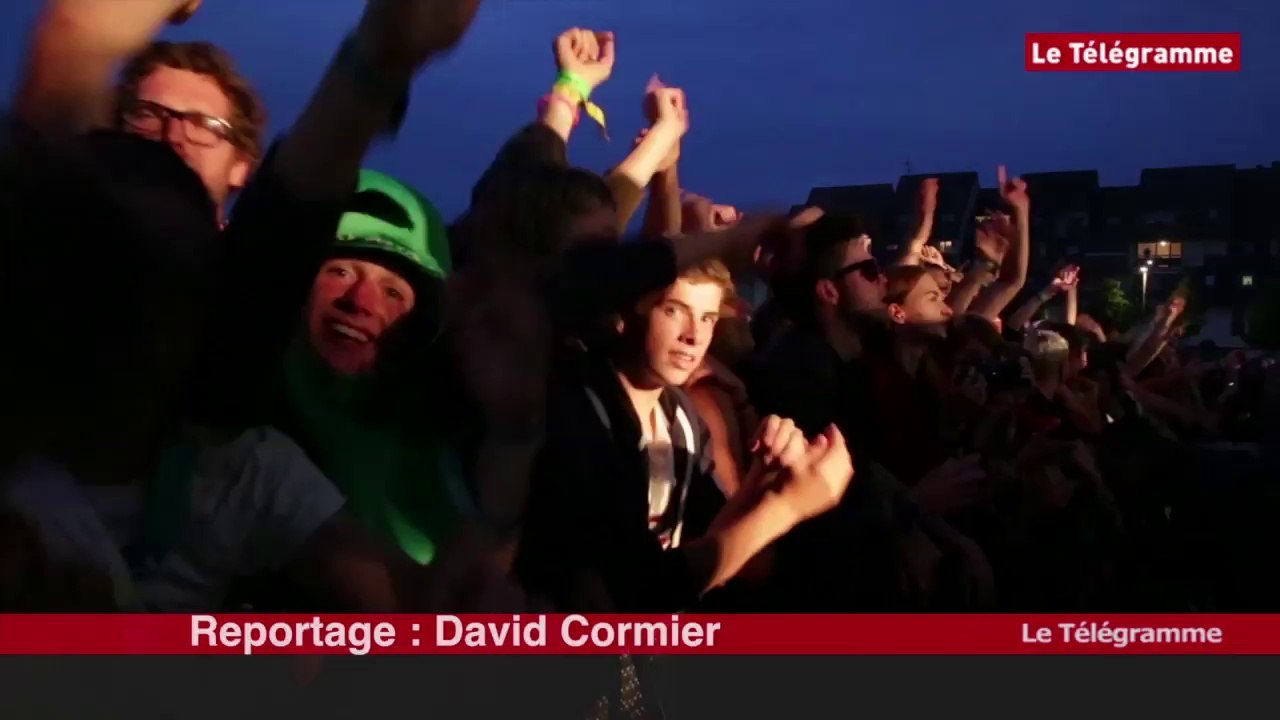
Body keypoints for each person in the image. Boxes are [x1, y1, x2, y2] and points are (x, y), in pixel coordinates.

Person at [517, 260, 855, 612]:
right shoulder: (584, 415)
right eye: (674, 310)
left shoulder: (679, 417)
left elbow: (713, 547)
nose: (693, 336)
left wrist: (764, 475)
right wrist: (787, 506)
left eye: (707, 318)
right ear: (625, 314)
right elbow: (640, 591)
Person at [273, 169, 461, 570]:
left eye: (392, 292)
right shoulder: (231, 418)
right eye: (340, 272)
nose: (360, 301)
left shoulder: (437, 463)